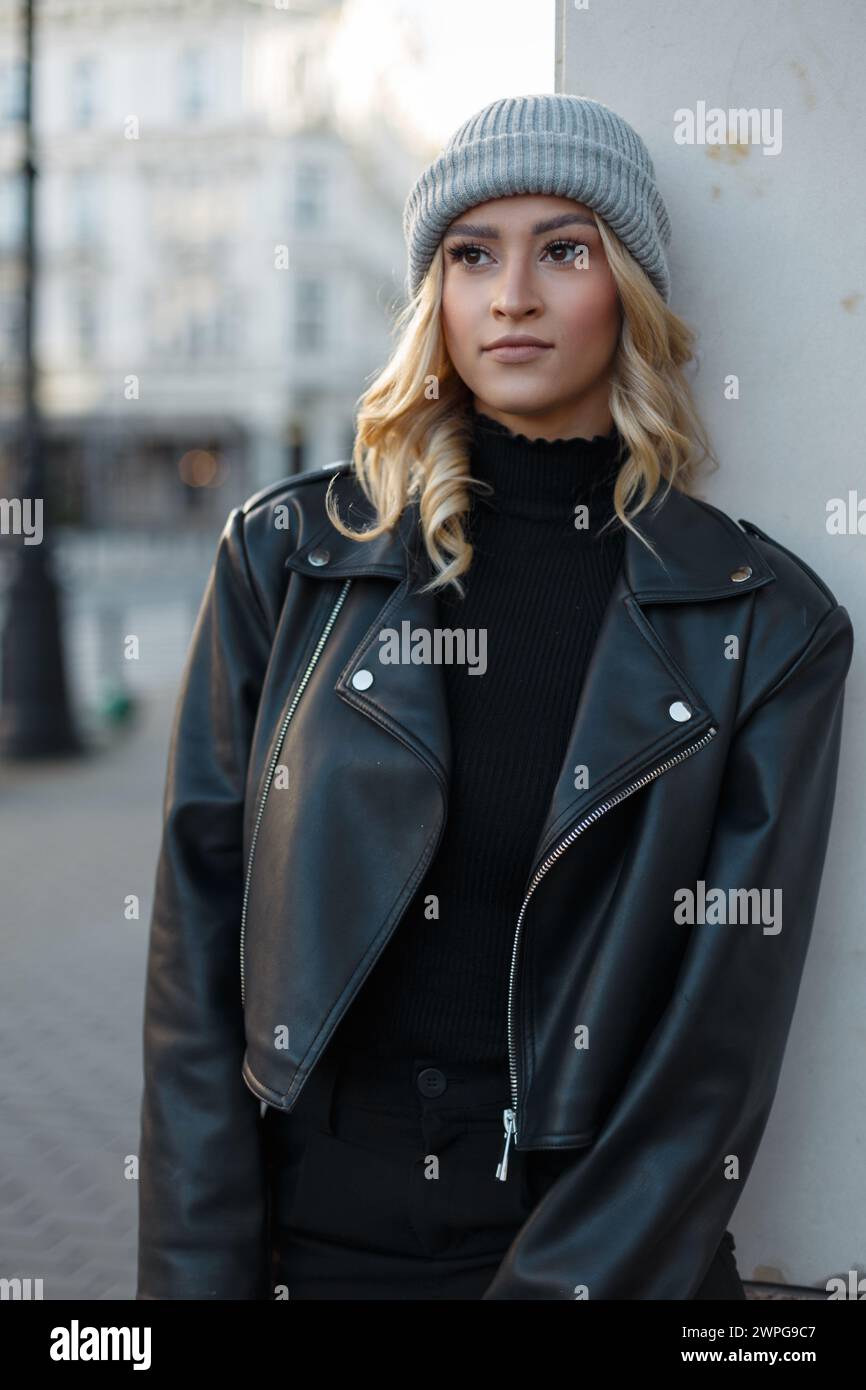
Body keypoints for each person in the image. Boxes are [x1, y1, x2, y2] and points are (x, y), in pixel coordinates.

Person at [136, 94, 854, 1300]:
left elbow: (710, 1058)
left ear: (624, 287)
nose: (511, 293)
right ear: (437, 298)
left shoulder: (761, 625)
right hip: (316, 1248)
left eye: (563, 249)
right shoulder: (289, 558)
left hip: (599, 1261)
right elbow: (195, 967)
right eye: (472, 254)